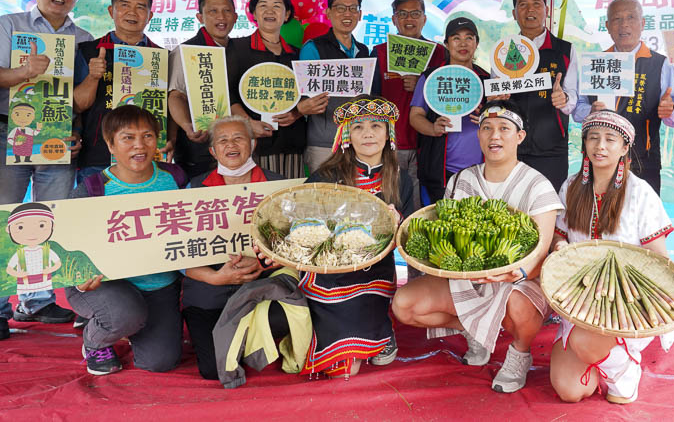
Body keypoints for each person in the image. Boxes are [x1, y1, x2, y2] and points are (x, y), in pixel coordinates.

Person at [392, 99, 561, 394]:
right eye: (487, 129)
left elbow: (540, 251)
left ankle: (519, 353)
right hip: (466, 278)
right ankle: (473, 329)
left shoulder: (537, 186)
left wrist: (513, 273)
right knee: (404, 306)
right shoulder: (461, 180)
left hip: (517, 283)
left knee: (519, 306)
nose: (495, 136)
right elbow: (447, 230)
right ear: (478, 135)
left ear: (519, 136)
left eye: (504, 129)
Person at [550, 110, 674, 405]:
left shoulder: (641, 193)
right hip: (578, 297)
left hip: (624, 300)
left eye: (610, 139)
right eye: (593, 138)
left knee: (583, 342)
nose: (600, 146)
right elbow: (559, 235)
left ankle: (623, 369)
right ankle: (600, 361)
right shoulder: (570, 187)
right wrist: (559, 246)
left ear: (624, 147)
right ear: (584, 145)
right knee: (570, 392)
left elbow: (658, 258)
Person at [0, 0, 92, 329]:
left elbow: (84, 98)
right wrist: (22, 74)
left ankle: (36, 300)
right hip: (9, 134)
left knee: (47, 219)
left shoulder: (83, 37)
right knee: (5, 218)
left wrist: (78, 132)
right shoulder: (9, 25)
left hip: (57, 140)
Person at [66, 105, 188, 375]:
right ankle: (96, 339)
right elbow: (68, 249)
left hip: (159, 285)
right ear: (110, 144)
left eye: (147, 136)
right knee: (124, 314)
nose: (139, 146)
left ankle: (126, 323)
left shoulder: (175, 179)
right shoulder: (93, 189)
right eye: (127, 138)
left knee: (160, 362)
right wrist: (80, 277)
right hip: (105, 285)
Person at [301, 96, 415, 377]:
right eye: (359, 127)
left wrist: (397, 223)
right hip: (331, 275)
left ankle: (382, 328)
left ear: (387, 133)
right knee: (343, 370)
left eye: (376, 126)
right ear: (347, 135)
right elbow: (304, 228)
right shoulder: (325, 176)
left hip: (377, 272)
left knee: (364, 361)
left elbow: (410, 233)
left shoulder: (400, 178)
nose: (367, 133)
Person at [182, 115, 284, 380]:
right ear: (213, 151)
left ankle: (247, 338)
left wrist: (263, 263)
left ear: (252, 144)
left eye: (239, 137)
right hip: (210, 288)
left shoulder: (278, 185)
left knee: (289, 314)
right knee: (213, 370)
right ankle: (237, 339)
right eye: (222, 140)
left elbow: (295, 244)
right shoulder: (193, 188)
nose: (231, 144)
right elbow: (177, 251)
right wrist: (214, 277)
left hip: (260, 283)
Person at [566, 0, 674, 194]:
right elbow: (577, 111)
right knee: (600, 220)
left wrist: (670, 110)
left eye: (631, 17)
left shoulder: (660, 64)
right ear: (607, 25)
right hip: (600, 160)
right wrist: (590, 111)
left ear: (643, 23)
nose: (624, 25)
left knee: (643, 221)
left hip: (644, 161)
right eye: (617, 19)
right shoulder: (596, 62)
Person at [73, 0, 171, 183]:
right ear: (112, 11)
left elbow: (172, 103)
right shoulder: (88, 50)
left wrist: (173, 140)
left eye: (140, 7)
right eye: (124, 5)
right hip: (98, 155)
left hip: (148, 156)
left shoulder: (163, 57)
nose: (132, 13)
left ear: (150, 15)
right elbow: (78, 105)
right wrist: (93, 76)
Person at [371, 0, 447, 210]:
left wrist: (423, 87)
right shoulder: (379, 53)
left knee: (426, 206)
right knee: (391, 202)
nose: (409, 19)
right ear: (394, 19)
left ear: (424, 19)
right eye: (402, 14)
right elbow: (372, 101)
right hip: (392, 144)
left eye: (415, 13)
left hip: (431, 143)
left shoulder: (440, 53)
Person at [227, 0, 306, 179]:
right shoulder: (237, 48)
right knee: (256, 200)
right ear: (254, 12)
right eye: (263, 6)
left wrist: (295, 113)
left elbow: (306, 96)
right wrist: (247, 123)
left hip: (292, 144)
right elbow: (227, 93)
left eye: (277, 6)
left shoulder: (298, 54)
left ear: (286, 14)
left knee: (290, 199)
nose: (270, 11)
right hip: (252, 143)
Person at [506, 0, 578, 192]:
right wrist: (498, 100)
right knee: (512, 211)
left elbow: (573, 96)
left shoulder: (565, 50)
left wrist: (563, 99)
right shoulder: (503, 51)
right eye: (523, 5)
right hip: (513, 147)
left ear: (547, 10)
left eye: (537, 3)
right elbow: (497, 97)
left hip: (552, 149)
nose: (530, 10)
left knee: (549, 209)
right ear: (514, 12)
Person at [410, 16, 489, 204]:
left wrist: (487, 116)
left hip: (481, 171)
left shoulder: (486, 80)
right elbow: (415, 116)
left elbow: (502, 120)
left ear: (476, 43)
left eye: (469, 38)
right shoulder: (431, 77)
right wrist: (432, 128)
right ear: (446, 44)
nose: (463, 43)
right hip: (439, 172)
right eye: (456, 38)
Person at [298, 0, 369, 174]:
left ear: (360, 14)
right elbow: (302, 96)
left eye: (353, 8)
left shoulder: (364, 51)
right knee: (322, 198)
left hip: (358, 142)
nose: (347, 14)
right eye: (340, 8)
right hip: (324, 143)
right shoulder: (313, 48)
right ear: (328, 12)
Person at [167, 0, 238, 179]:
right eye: (212, 11)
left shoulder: (241, 50)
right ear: (200, 17)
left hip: (237, 149)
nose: (221, 17)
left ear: (236, 16)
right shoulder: (186, 51)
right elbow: (175, 95)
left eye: (226, 11)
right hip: (198, 150)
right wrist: (187, 125)